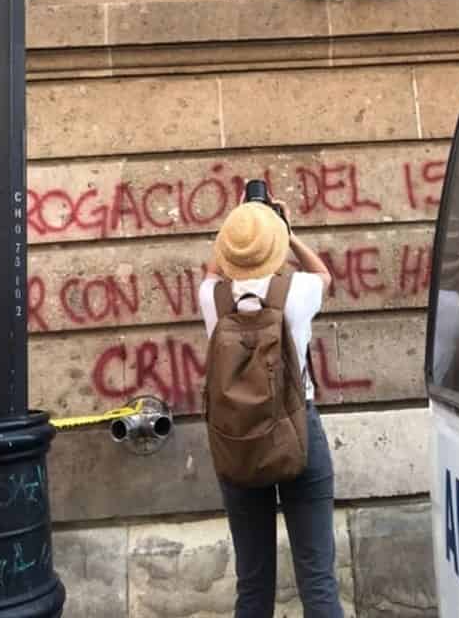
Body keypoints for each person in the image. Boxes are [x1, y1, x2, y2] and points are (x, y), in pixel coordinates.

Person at [199, 197, 344, 617]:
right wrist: (288, 232)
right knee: (317, 578)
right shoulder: (296, 291)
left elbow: (212, 270)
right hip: (298, 434)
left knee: (253, 581)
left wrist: (236, 227)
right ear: (276, 245)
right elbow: (324, 274)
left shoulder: (213, 298)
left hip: (237, 442)